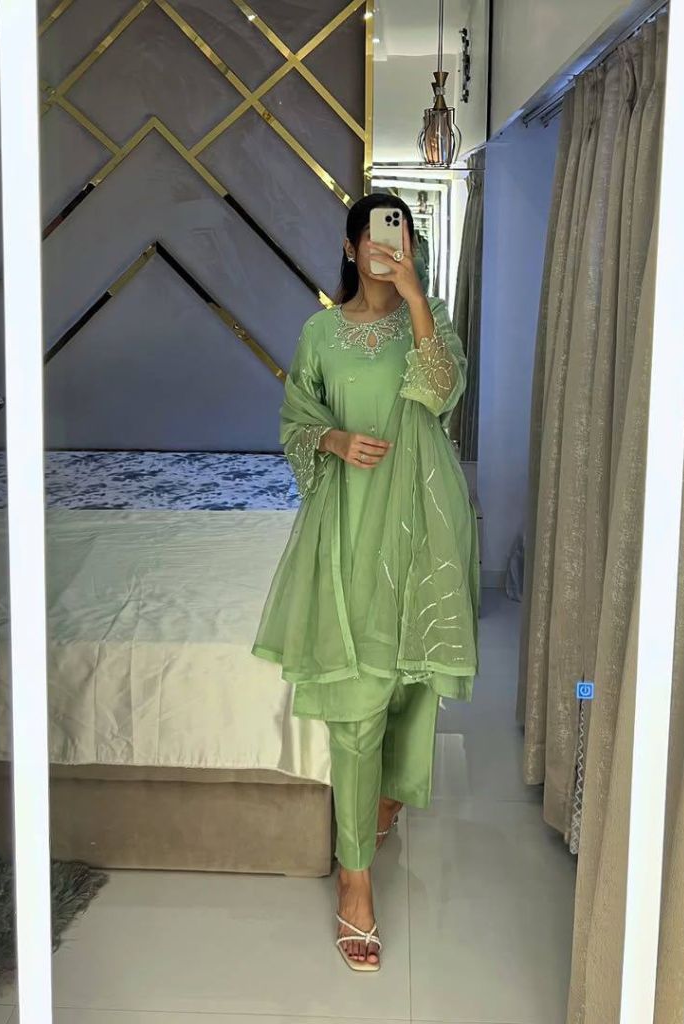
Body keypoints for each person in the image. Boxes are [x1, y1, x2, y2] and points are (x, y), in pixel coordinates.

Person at [252, 192, 479, 972]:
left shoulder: (430, 318)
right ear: (352, 248)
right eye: (380, 237)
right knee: (359, 698)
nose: (390, 246)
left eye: (402, 237)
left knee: (413, 679)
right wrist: (335, 440)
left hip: (426, 519)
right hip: (352, 520)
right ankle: (355, 880)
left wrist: (414, 296)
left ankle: (384, 795)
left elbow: (441, 394)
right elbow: (295, 423)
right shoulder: (320, 333)